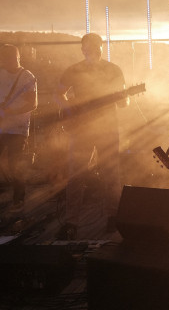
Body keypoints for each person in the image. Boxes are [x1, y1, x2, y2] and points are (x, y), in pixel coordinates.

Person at [55, 33, 128, 239]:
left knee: (109, 174)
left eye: (93, 46)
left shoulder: (113, 70)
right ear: (82, 49)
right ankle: (74, 222)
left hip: (106, 127)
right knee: (78, 174)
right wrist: (70, 108)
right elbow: (59, 94)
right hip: (82, 128)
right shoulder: (74, 70)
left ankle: (109, 217)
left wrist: (125, 98)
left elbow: (123, 102)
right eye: (87, 46)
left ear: (100, 47)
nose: (90, 50)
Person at [0, 44, 37, 210]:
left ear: (17, 58)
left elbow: (33, 104)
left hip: (17, 128)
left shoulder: (27, 77)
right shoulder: (1, 74)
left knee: (14, 164)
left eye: (7, 59)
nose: (4, 62)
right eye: (3, 59)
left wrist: (12, 111)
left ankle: (18, 199)